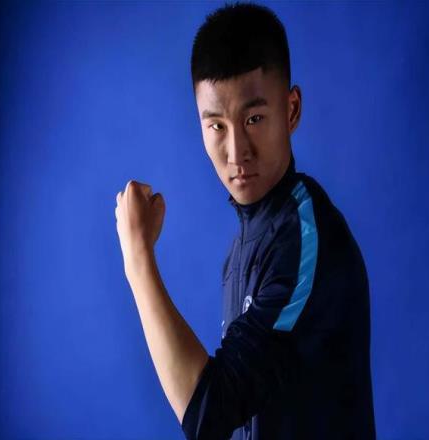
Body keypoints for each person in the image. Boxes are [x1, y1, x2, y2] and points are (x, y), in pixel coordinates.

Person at [115, 1, 376, 439]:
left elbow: (209, 412)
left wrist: (137, 258)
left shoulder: (305, 240)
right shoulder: (246, 245)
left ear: (291, 110)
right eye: (217, 126)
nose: (237, 153)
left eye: (254, 119)